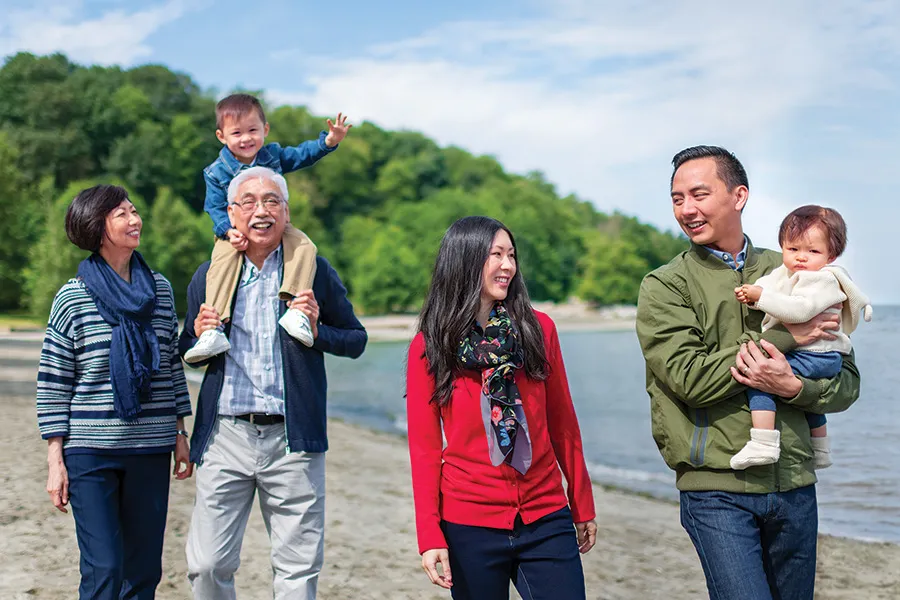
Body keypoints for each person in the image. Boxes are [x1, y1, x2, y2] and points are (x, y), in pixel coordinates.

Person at [635, 145, 861, 600]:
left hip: (796, 483)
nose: (687, 209)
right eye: (677, 198)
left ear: (739, 196)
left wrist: (795, 388)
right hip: (716, 488)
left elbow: (847, 381)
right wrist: (788, 336)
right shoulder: (665, 285)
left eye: (699, 194)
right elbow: (690, 379)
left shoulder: (795, 268)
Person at [179, 166, 367, 599]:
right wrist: (200, 328)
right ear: (231, 213)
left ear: (286, 211)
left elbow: (356, 340)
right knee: (207, 565)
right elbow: (185, 347)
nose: (260, 211)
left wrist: (318, 330)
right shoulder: (209, 275)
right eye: (248, 202)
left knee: (297, 572)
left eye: (272, 201)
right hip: (226, 434)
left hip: (293, 439)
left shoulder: (313, 270)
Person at [406, 216, 597, 600]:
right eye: (496, 255)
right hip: (468, 520)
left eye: (511, 255)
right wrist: (429, 535)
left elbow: (563, 423)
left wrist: (582, 502)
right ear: (464, 260)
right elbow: (425, 449)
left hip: (545, 514)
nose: (508, 265)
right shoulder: (430, 347)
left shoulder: (539, 329)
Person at [36, 184, 193, 600]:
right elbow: (53, 381)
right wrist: (56, 461)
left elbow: (170, 367)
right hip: (90, 453)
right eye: (121, 213)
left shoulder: (159, 290)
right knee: (104, 568)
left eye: (134, 210)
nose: (135, 219)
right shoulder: (73, 297)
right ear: (96, 226)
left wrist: (180, 432)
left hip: (150, 448)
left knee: (143, 572)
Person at [184, 93, 351, 363]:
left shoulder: (272, 155)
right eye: (236, 133)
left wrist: (329, 142)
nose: (246, 138)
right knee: (222, 260)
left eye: (253, 130)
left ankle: (296, 310)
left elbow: (301, 155)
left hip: (275, 226)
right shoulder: (215, 172)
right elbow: (213, 207)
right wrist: (228, 231)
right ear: (221, 136)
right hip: (234, 232)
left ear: (266, 129)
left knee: (304, 245)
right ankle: (213, 329)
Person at [730, 205, 872, 471]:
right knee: (808, 401)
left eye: (813, 251)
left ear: (832, 255)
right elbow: (769, 289)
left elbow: (799, 311)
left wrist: (761, 298)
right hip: (812, 353)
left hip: (820, 355)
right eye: (792, 249)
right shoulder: (785, 273)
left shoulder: (822, 280)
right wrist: (752, 297)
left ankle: (763, 443)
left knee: (760, 378)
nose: (801, 258)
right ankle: (820, 450)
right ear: (782, 246)